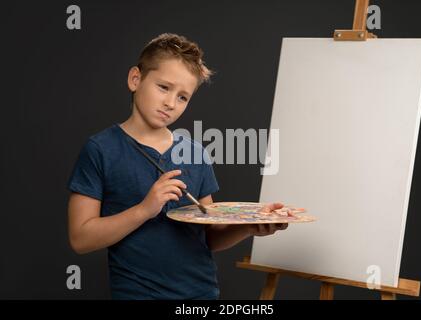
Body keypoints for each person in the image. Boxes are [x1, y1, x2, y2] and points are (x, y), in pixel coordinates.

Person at [67, 33, 288, 299]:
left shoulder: (196, 153)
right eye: (164, 87)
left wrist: (249, 226)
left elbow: (210, 237)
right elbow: (80, 239)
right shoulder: (100, 149)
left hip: (201, 295)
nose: (171, 103)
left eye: (183, 97)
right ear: (135, 79)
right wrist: (144, 210)